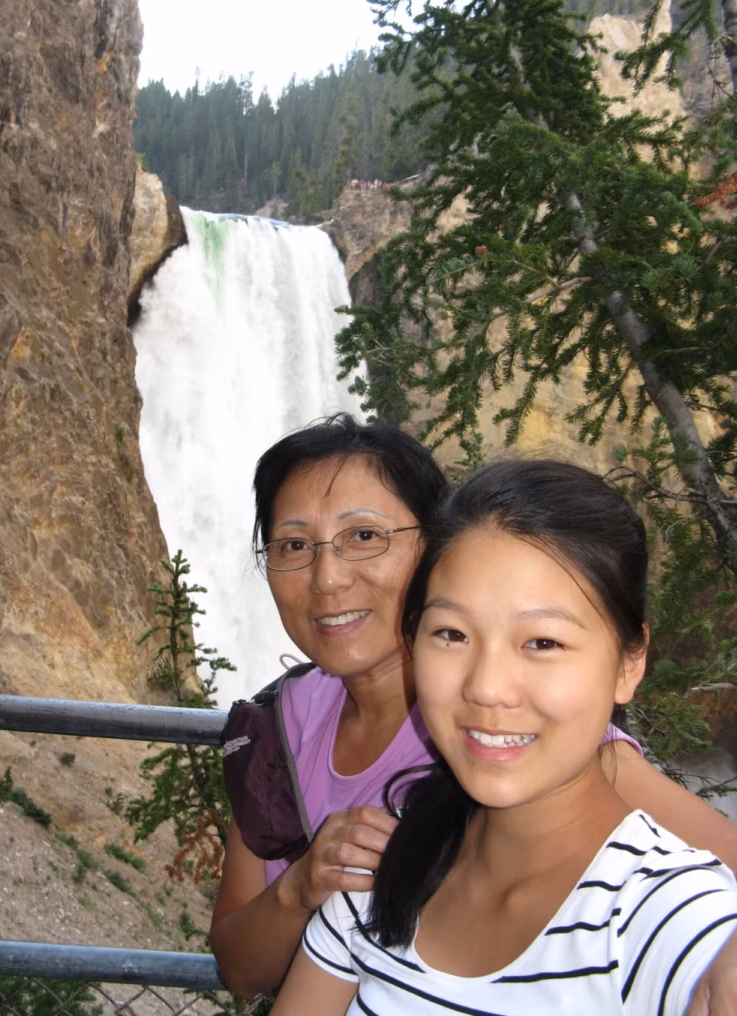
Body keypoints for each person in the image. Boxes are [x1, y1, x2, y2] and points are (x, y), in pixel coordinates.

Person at [209, 414, 737, 1006]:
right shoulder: (284, 726)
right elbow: (241, 969)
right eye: (294, 545)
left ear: (433, 552)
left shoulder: (539, 745)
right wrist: (301, 886)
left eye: (364, 536)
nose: (327, 578)